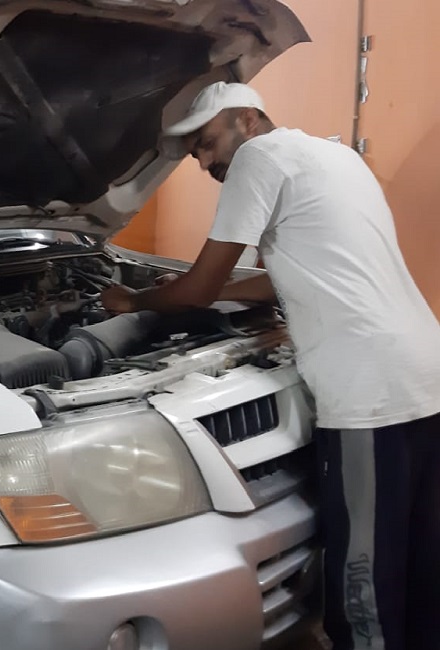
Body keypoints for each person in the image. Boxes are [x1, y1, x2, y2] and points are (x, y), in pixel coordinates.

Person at [100, 81, 440, 650]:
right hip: (425, 369)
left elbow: (199, 289)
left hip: (370, 390)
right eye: (196, 154)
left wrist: (134, 301)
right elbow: (286, 275)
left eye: (207, 143)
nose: (205, 162)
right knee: (421, 566)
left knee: (366, 586)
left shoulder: (258, 157)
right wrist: (196, 288)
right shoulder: (334, 154)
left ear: (248, 119)